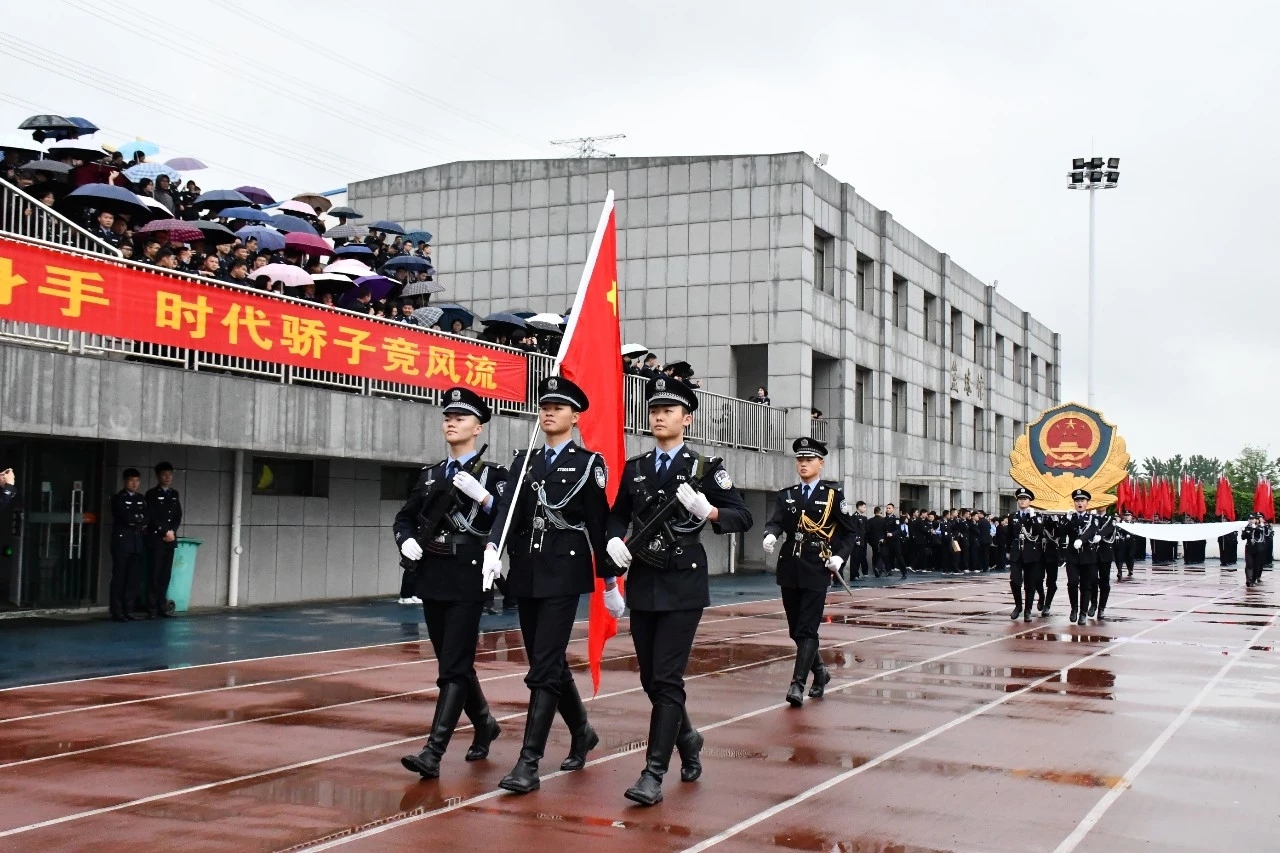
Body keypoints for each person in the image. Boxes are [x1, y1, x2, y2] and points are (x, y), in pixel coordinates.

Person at [606, 375, 753, 805]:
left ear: (686, 418)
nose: (658, 416)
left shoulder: (704, 468)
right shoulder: (636, 469)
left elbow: (741, 516)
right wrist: (614, 541)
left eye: (668, 410)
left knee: (667, 678)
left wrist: (708, 510)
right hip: (644, 582)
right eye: (653, 410)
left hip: (684, 584)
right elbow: (617, 516)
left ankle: (653, 773)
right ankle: (688, 739)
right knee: (651, 678)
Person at [482, 376, 612, 795]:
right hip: (526, 572)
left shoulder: (589, 464)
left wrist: (610, 580)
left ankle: (528, 762)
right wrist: (492, 547)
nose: (549, 411)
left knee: (542, 669)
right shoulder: (524, 461)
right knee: (548, 662)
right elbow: (507, 513)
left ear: (575, 416)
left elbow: (598, 525)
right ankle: (582, 732)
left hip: (563, 574)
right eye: (545, 405)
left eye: (559, 406)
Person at [396, 388, 508, 779]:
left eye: (460, 418)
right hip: (432, 574)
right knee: (453, 663)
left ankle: (434, 751)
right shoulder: (430, 475)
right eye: (448, 417)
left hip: (468, 574)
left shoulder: (493, 475)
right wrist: (405, 540)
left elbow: (506, 519)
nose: (451, 423)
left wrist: (487, 500)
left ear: (478, 427)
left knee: (452, 668)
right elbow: (405, 518)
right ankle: (485, 724)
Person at [763, 436, 853, 706]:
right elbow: (776, 522)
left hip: (816, 565)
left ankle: (797, 684)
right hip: (790, 564)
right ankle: (821, 672)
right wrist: (770, 535)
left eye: (809, 459)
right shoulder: (787, 494)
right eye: (800, 459)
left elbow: (850, 532)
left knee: (808, 628)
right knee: (796, 631)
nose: (803, 464)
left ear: (820, 464)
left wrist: (839, 557)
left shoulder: (832, 497)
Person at [109, 468, 149, 621]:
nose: (134, 483)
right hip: (122, 543)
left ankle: (129, 609)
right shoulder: (118, 498)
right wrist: (137, 518)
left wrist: (138, 519)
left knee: (133, 578)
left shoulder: (141, 498)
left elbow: (146, 517)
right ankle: (117, 610)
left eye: (137, 480)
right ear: (125, 481)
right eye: (131, 480)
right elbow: (125, 517)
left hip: (136, 543)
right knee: (119, 577)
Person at [144, 462, 182, 619]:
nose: (167, 478)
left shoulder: (174, 494)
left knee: (165, 575)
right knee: (155, 574)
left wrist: (172, 531)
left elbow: (177, 515)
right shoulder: (151, 494)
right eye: (164, 475)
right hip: (156, 539)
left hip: (170, 539)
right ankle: (152, 608)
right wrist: (164, 531)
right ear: (158, 476)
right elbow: (151, 516)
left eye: (170, 475)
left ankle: (162, 606)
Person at [1064, 489, 1101, 625]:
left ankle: (1083, 613)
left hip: (1087, 556)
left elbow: (1092, 530)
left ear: (1087, 503)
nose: (1079, 503)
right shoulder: (1071, 517)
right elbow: (1061, 532)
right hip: (1072, 556)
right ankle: (1074, 608)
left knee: (1086, 585)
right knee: (1072, 583)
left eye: (1082, 501)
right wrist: (1066, 520)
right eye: (1077, 501)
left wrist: (1082, 539)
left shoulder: (1093, 518)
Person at [1007, 488, 1045, 622]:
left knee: (1030, 583)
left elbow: (1039, 531)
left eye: (1025, 499)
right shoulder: (1013, 516)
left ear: (1030, 501)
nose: (1022, 501)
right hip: (1017, 552)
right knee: (1015, 581)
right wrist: (1008, 551)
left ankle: (1028, 609)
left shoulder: (1037, 516)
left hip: (1031, 552)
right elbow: (1010, 534)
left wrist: (1033, 517)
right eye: (1020, 499)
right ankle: (1018, 606)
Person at [1243, 514, 1268, 587]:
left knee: (1256, 565)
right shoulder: (1247, 527)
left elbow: (1261, 532)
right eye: (1250, 519)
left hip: (1258, 549)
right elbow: (1243, 537)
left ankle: (1253, 580)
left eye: (1253, 519)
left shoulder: (1261, 527)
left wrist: (1254, 528)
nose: (1251, 520)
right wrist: (1246, 532)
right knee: (1249, 564)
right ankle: (1249, 579)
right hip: (1249, 548)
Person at [1115, 509, 1136, 580]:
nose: (1127, 517)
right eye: (1125, 515)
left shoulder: (1133, 524)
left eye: (1128, 515)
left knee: (1130, 556)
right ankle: (1119, 571)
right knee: (1119, 557)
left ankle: (1130, 569)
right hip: (1122, 542)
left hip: (1131, 543)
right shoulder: (1120, 524)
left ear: (1131, 516)